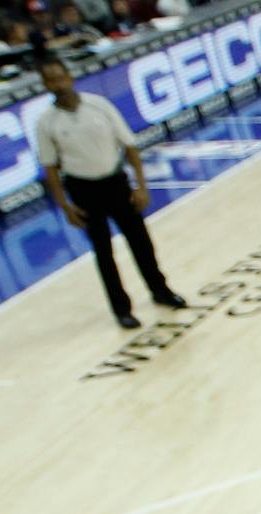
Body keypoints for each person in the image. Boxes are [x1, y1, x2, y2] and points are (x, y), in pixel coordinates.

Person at [31, 58, 186, 330]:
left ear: (70, 76)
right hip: (83, 189)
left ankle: (160, 291)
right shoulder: (46, 122)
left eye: (60, 77)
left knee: (141, 242)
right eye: (50, 80)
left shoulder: (99, 105)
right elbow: (50, 167)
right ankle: (121, 309)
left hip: (116, 183)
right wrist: (65, 206)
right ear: (45, 85)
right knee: (104, 253)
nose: (57, 84)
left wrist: (140, 185)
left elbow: (129, 145)